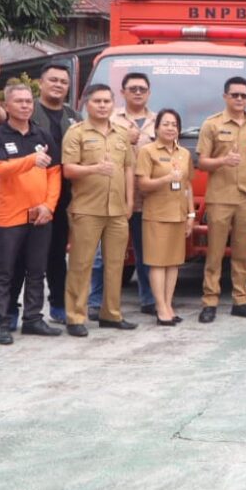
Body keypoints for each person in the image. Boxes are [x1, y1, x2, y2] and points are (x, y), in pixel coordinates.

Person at [0, 60, 79, 323]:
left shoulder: (73, 115)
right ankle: (8, 313)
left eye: (64, 82)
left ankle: (54, 306)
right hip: (17, 204)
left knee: (54, 255)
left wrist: (51, 204)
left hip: (58, 197)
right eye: (53, 80)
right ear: (41, 84)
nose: (58, 85)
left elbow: (57, 168)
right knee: (12, 263)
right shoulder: (24, 117)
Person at [0, 83, 63, 345]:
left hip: (40, 214)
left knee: (37, 269)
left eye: (29, 101)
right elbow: (0, 169)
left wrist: (49, 206)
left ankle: (33, 318)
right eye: (18, 101)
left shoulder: (42, 135)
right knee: (4, 270)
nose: (25, 105)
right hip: (10, 216)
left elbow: (54, 173)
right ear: (6, 106)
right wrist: (31, 159)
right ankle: (2, 321)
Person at [62, 83, 136, 335]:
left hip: (117, 209)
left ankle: (111, 314)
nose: (103, 105)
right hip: (87, 208)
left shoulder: (122, 134)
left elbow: (128, 168)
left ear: (113, 103)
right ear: (86, 104)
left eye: (107, 101)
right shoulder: (76, 132)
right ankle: (75, 317)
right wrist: (94, 169)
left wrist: (129, 202)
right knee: (81, 264)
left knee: (116, 264)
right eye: (97, 101)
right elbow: (68, 169)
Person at [196, 76, 246, 322]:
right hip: (220, 198)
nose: (239, 99)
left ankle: (241, 300)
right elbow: (202, 162)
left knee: (242, 254)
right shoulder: (212, 125)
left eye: (244, 95)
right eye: (235, 95)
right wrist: (222, 161)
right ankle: (210, 302)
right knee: (214, 253)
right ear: (225, 96)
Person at [90, 72, 157, 318]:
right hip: (112, 196)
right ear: (123, 92)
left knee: (146, 254)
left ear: (149, 93)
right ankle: (95, 301)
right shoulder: (109, 118)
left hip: (147, 199)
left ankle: (149, 300)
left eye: (142, 89)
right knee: (102, 255)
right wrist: (124, 138)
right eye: (133, 88)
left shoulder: (158, 121)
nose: (138, 92)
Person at [136, 109, 195, 326]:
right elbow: (142, 185)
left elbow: (187, 184)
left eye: (174, 125)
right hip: (156, 215)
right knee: (158, 264)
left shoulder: (184, 153)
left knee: (174, 264)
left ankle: (169, 304)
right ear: (157, 127)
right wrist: (167, 178)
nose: (170, 128)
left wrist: (191, 214)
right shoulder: (148, 151)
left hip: (178, 215)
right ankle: (160, 307)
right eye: (166, 124)